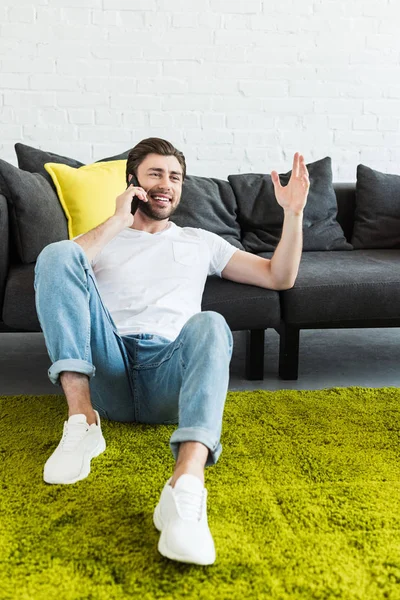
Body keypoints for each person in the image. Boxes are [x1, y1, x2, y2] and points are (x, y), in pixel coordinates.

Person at [34, 137, 310, 566]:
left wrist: (293, 213)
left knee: (211, 323)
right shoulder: (103, 238)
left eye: (175, 177)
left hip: (169, 376)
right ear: (133, 183)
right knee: (56, 253)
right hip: (109, 368)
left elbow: (279, 277)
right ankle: (82, 421)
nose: (167, 184)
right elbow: (58, 267)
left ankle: (185, 487)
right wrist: (116, 221)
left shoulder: (202, 241)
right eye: (156, 174)